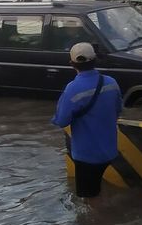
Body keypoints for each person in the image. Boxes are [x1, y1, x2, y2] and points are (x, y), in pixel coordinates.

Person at [51, 42, 122, 199]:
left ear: (72, 64)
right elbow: (118, 110)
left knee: (89, 200)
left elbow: (62, 121)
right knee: (97, 189)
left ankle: (98, 222)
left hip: (87, 155)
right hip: (109, 151)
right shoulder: (111, 83)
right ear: (95, 60)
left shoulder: (72, 88)